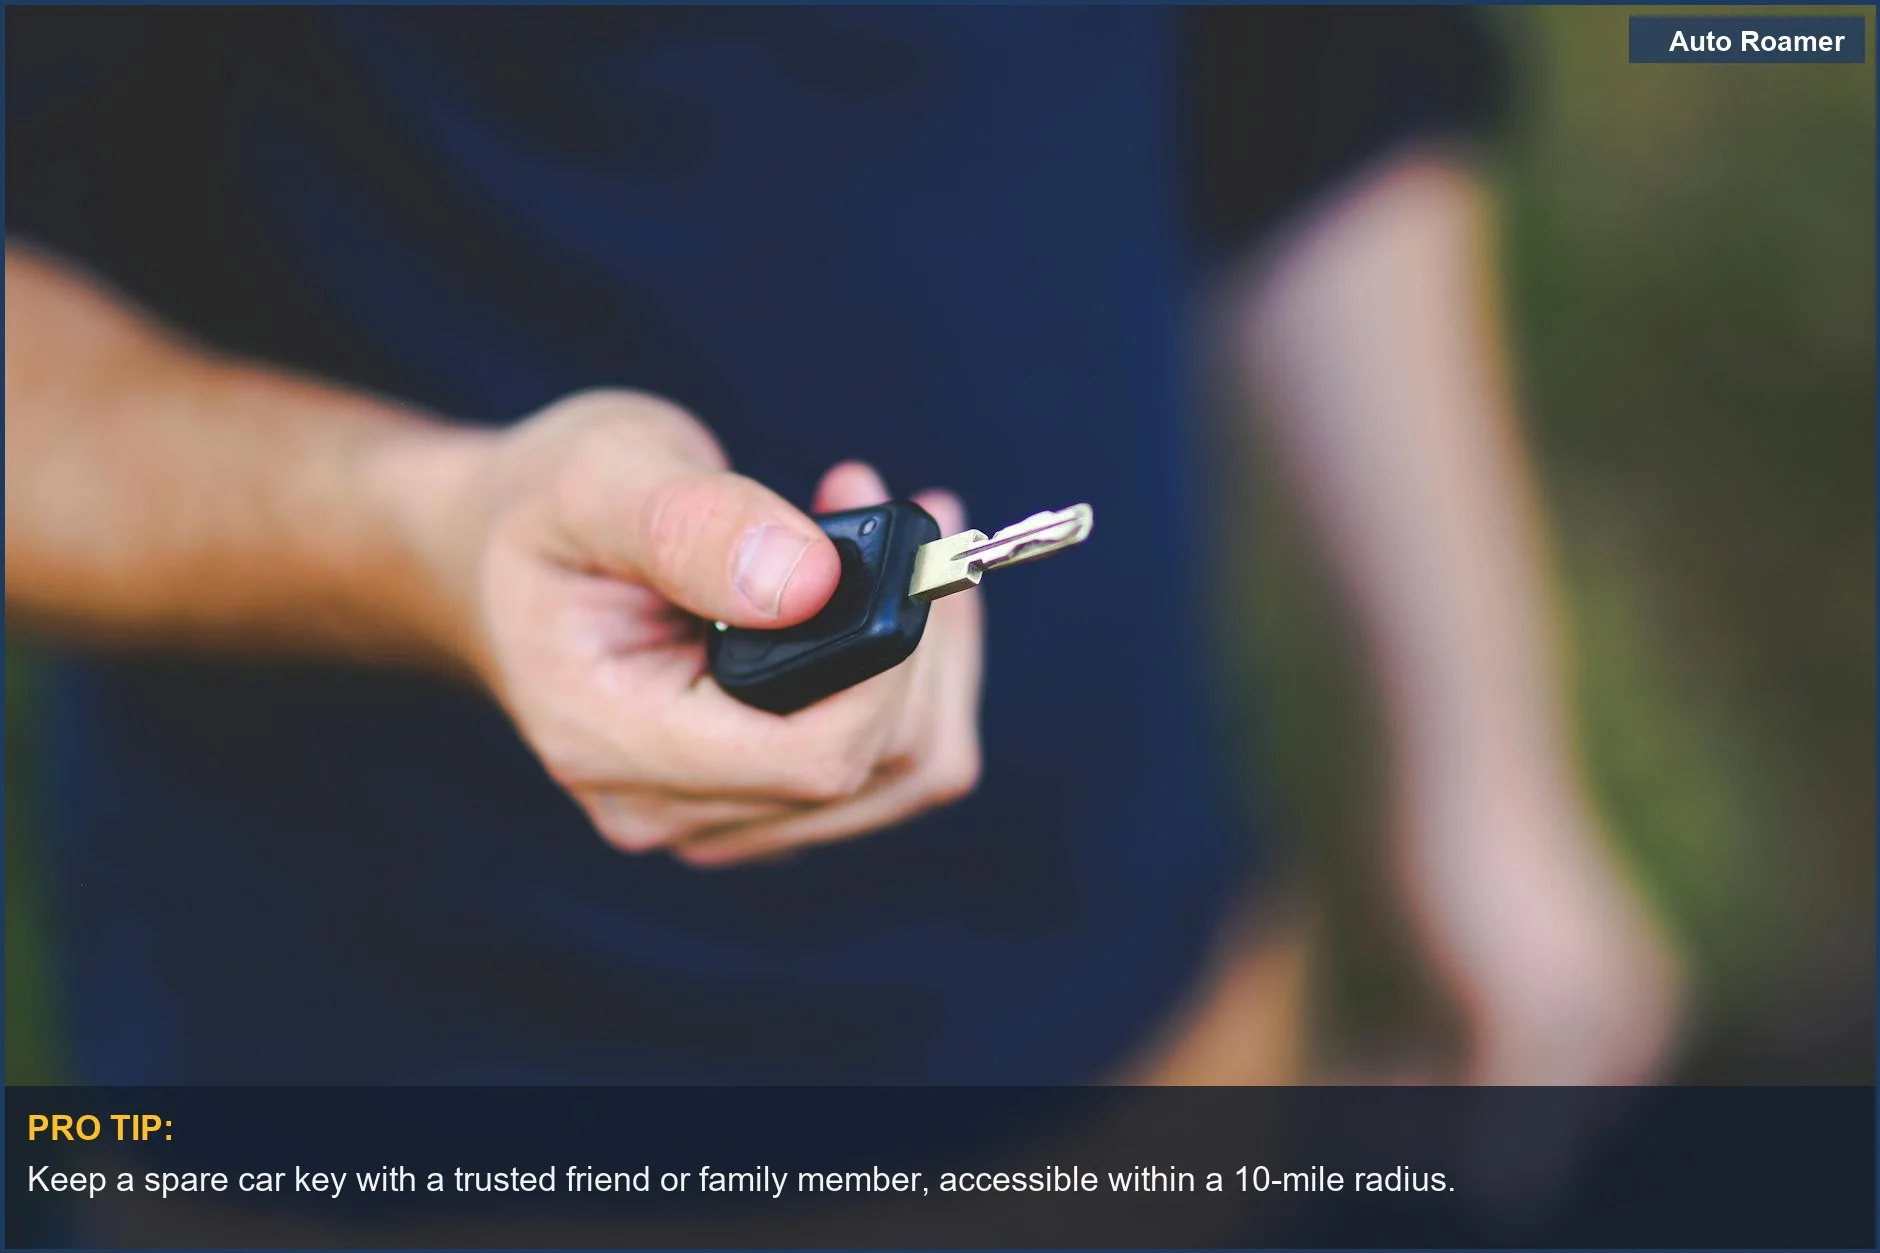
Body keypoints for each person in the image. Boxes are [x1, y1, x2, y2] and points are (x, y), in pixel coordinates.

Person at [7, 7, 1679, 1086]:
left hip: (1151, 1024)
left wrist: (1489, 773)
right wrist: (439, 535)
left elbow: (1313, 82)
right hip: (404, 1106)